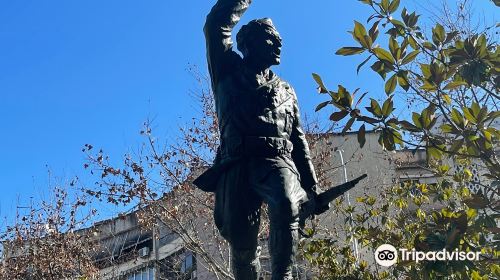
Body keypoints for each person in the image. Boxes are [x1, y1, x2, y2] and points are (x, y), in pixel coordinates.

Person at [193, 0, 321, 279]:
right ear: (248, 44)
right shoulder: (227, 70)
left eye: (279, 40)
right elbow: (216, 26)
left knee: (287, 202)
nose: (278, 45)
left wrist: (311, 186)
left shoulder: (287, 90)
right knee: (242, 244)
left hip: (277, 160)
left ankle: (283, 274)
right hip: (236, 163)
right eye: (271, 39)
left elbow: (298, 141)